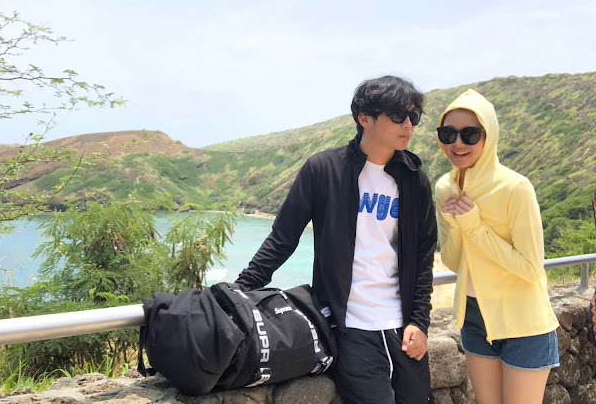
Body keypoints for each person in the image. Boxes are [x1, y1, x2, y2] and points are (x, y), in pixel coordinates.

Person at [236, 76, 437, 404]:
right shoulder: (323, 170)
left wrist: (419, 321)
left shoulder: (414, 179)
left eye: (413, 117)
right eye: (398, 116)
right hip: (350, 326)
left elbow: (423, 255)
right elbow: (283, 239)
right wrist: (237, 295)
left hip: (403, 329)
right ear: (365, 118)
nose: (408, 125)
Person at [436, 89, 559, 404]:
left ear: (488, 136)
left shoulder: (515, 188)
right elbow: (454, 262)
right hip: (475, 315)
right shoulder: (446, 187)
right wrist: (455, 224)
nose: (457, 143)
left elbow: (531, 269)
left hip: (523, 318)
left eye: (469, 134)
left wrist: (474, 226)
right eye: (448, 134)